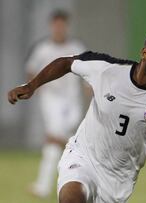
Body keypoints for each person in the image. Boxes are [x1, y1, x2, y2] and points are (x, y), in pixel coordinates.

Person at [8, 28, 146, 203]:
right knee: (72, 197)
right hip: (83, 156)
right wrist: (31, 85)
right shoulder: (106, 69)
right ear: (145, 53)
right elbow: (66, 63)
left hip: (118, 180)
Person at [25, 10, 86, 198]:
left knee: (62, 141)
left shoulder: (77, 47)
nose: (59, 28)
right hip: (51, 100)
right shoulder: (42, 48)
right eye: (56, 25)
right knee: (56, 138)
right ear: (51, 26)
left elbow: (87, 73)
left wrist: (89, 88)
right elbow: (31, 70)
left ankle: (60, 182)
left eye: (62, 25)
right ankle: (45, 187)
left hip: (72, 101)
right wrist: (36, 87)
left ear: (66, 26)